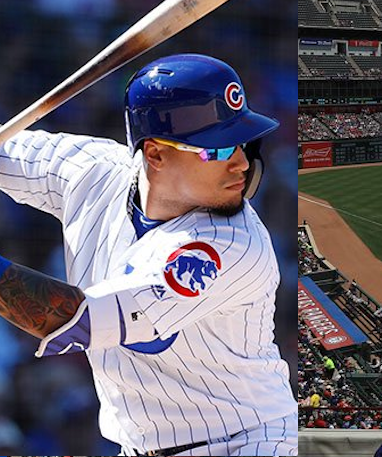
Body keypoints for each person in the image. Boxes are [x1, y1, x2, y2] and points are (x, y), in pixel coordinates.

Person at [0, 55, 295, 455]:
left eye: (242, 142)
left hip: (244, 443)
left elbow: (76, 320)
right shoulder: (94, 171)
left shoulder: (228, 245)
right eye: (218, 148)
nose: (241, 162)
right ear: (155, 155)